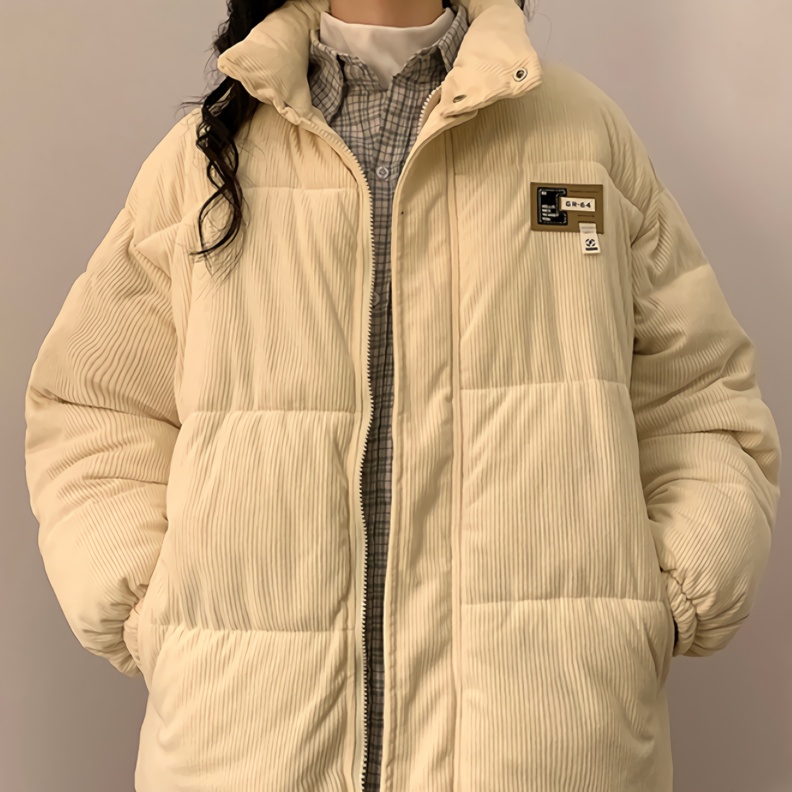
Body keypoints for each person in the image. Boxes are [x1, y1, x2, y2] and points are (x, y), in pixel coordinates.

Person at [23, 0, 782, 790]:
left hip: (542, 750)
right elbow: (94, 404)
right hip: (248, 750)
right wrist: (148, 606)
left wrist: (664, 604)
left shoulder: (579, 140)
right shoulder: (208, 159)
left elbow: (701, 396)